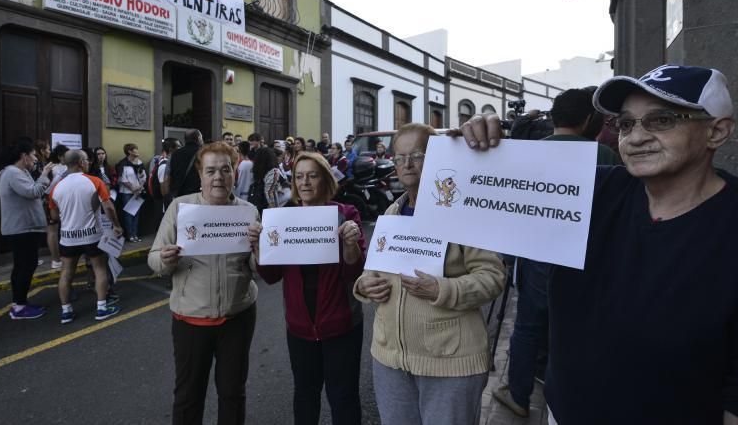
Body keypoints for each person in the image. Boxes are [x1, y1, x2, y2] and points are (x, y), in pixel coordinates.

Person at [458, 65, 738, 425]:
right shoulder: (587, 192)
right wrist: (469, 145)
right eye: (625, 123)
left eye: (662, 120)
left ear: (717, 131)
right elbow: (468, 186)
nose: (636, 137)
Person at [354, 123, 505, 425]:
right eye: (400, 157)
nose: (407, 164)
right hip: (390, 360)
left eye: (417, 155)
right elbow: (371, 270)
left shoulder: (463, 212)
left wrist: (442, 290)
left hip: (449, 362)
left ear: (437, 157)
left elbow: (493, 276)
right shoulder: (391, 214)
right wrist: (364, 285)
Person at [492, 88, 620, 418]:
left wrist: (509, 257)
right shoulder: (604, 155)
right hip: (585, 258)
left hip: (534, 256)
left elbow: (512, 208)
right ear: (589, 119)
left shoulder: (529, 153)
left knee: (527, 326)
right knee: (572, 329)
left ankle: (519, 394)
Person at [249, 152, 366, 425]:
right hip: (300, 327)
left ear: (325, 179)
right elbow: (271, 275)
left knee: (344, 396)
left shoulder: (346, 214)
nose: (305, 182)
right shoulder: (283, 219)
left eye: (312, 175)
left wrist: (349, 244)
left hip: (341, 325)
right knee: (305, 395)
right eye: (299, 176)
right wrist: (258, 248)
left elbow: (354, 272)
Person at [148, 142, 258, 425]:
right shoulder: (179, 208)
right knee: (188, 396)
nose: (218, 177)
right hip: (191, 320)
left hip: (237, 318)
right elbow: (154, 258)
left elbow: (255, 268)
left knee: (233, 393)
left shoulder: (248, 212)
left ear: (234, 172)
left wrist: (261, 250)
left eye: (225, 169)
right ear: (200, 174)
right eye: (210, 171)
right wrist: (166, 258)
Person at [48, 150, 123, 324]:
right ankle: (102, 308)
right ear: (81, 162)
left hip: (67, 237)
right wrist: (117, 226)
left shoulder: (57, 187)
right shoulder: (94, 181)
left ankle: (66, 312)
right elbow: (109, 207)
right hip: (92, 235)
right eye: (87, 160)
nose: (89, 162)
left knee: (66, 273)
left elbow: (54, 216)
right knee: (99, 269)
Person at [0, 138, 55, 320]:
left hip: (25, 227)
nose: (35, 159)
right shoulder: (13, 173)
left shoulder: (17, 172)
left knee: (23, 266)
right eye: (33, 155)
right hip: (23, 228)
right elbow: (33, 192)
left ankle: (19, 303)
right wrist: (45, 174)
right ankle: (20, 306)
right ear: (23, 156)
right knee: (25, 266)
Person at [116, 143, 146, 243]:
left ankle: (135, 234)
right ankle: (129, 235)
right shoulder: (123, 163)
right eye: (135, 149)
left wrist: (140, 188)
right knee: (128, 214)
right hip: (127, 192)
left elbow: (144, 177)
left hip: (138, 191)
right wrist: (134, 190)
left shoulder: (140, 162)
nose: (137, 151)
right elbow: (122, 179)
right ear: (129, 151)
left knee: (136, 213)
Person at [45, 144, 69, 269]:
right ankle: (56, 259)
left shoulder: (65, 166)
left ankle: (61, 256)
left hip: (61, 200)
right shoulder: (55, 168)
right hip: (54, 200)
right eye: (66, 155)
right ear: (60, 156)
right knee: (53, 229)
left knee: (58, 228)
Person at [167, 129, 204, 199]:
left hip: (178, 196)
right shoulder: (203, 153)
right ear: (199, 138)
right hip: (197, 196)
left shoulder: (173, 155)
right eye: (202, 138)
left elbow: (167, 178)